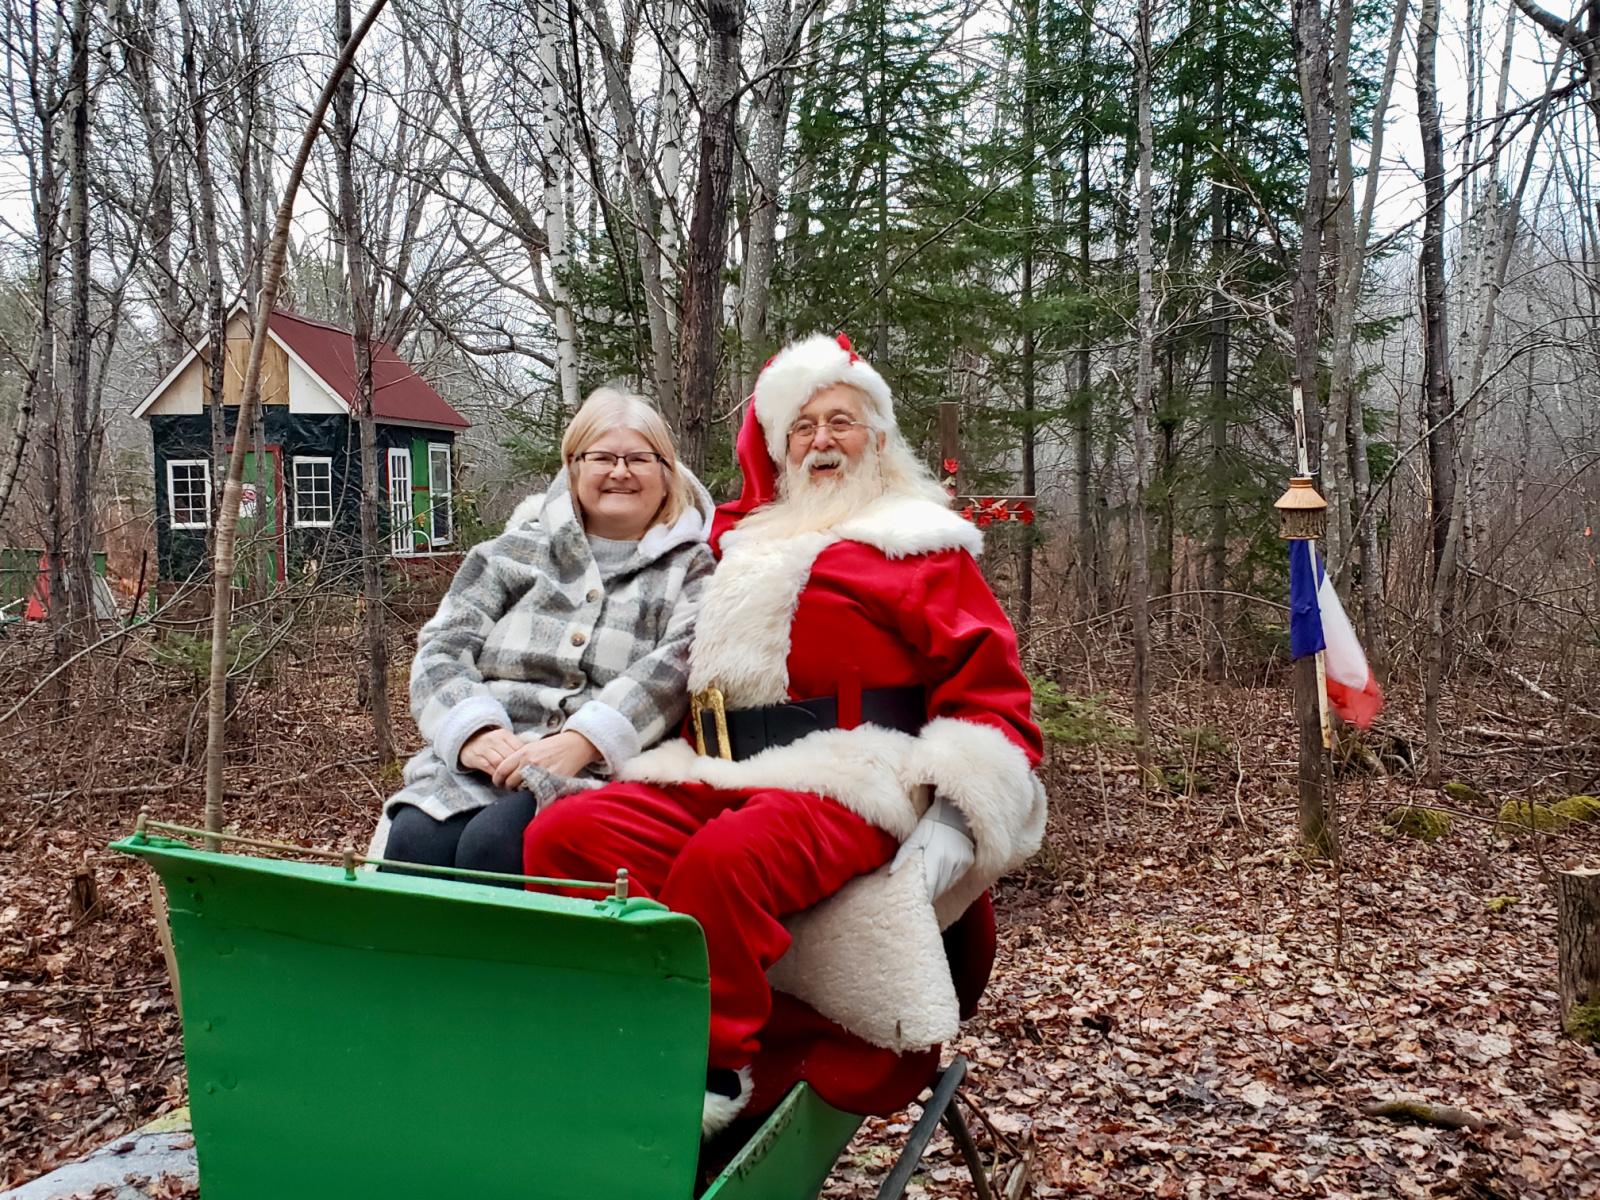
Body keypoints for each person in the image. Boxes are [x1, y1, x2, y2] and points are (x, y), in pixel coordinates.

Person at [522, 334, 1045, 1136]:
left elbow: (996, 694)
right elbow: (611, 528)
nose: (822, 440)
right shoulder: (740, 536)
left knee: (726, 865)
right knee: (568, 836)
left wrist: (957, 814)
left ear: (878, 438)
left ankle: (710, 1072)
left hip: (857, 771)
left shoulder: (920, 544)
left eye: (842, 421)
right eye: (802, 427)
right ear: (778, 445)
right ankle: (608, 1033)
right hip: (718, 766)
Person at [370, 387, 714, 879]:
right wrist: (473, 731)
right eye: (602, 457)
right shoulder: (510, 553)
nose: (620, 471)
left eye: (640, 458)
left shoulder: (689, 568)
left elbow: (677, 666)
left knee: (495, 847)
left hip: (590, 769)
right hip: (487, 754)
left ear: (666, 473)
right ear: (573, 467)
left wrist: (586, 740)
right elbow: (443, 647)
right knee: (415, 838)